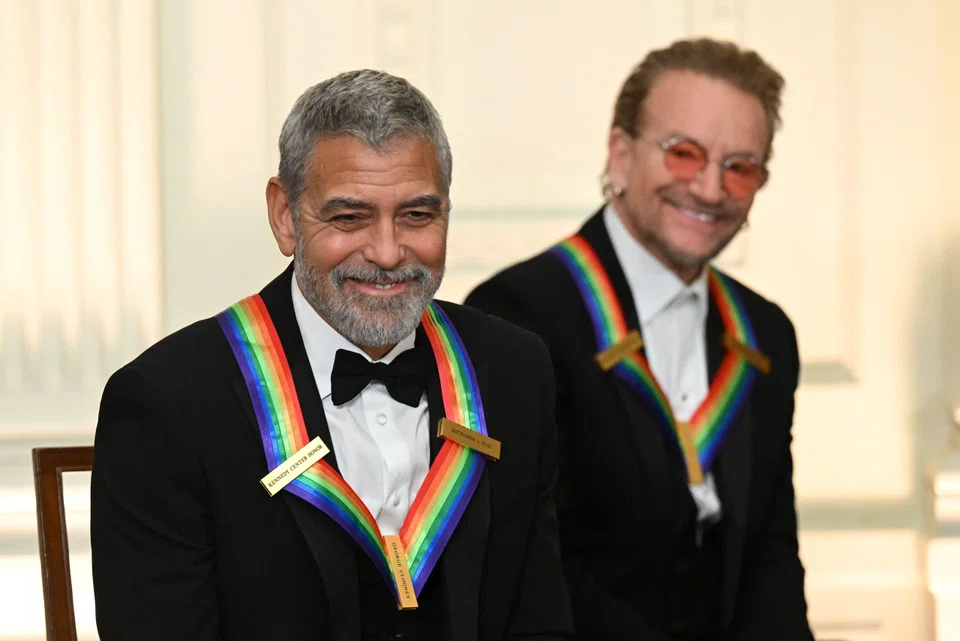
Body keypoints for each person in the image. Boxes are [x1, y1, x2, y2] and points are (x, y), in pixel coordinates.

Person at [91, 69, 573, 641]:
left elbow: (539, 622)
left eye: (418, 215)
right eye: (349, 217)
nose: (389, 252)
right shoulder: (168, 404)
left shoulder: (514, 370)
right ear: (284, 216)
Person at [465, 38, 815, 641]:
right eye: (684, 154)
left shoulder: (765, 333)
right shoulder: (516, 318)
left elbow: (770, 557)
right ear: (620, 154)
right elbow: (532, 563)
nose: (710, 189)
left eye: (740, 166)